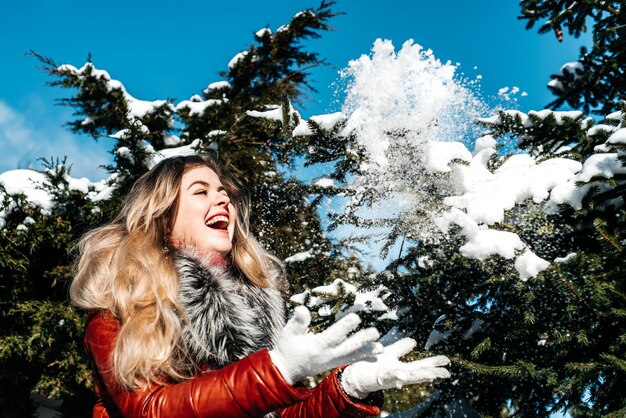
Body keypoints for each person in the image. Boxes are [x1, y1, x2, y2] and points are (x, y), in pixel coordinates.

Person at [71, 154, 451, 418]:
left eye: (224, 193)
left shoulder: (255, 310)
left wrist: (348, 388)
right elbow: (151, 410)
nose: (222, 200)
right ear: (162, 215)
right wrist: (275, 371)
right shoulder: (125, 305)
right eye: (201, 191)